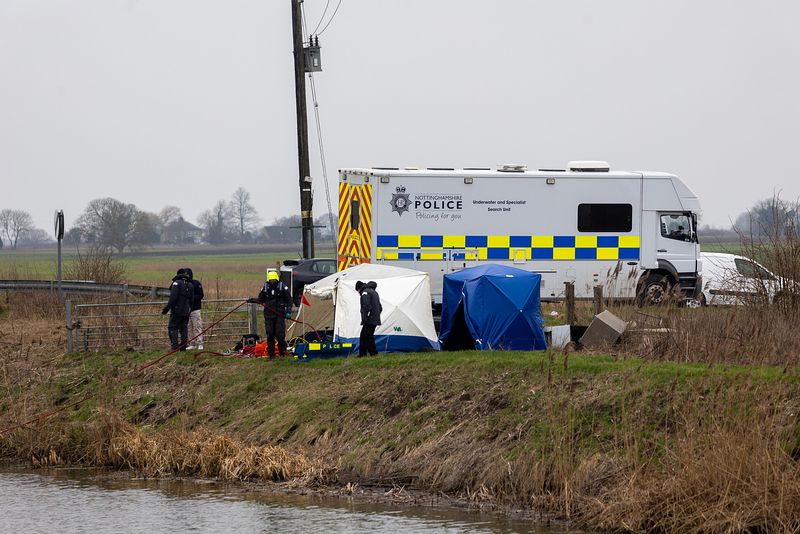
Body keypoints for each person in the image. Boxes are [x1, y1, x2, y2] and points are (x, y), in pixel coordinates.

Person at [249, 270, 292, 357]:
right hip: (268, 316)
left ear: (276, 279)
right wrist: (252, 300)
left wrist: (288, 312)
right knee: (270, 335)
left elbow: (289, 300)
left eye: (273, 279)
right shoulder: (266, 288)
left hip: (279, 315)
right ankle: (271, 354)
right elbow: (260, 299)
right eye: (271, 279)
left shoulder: (282, 287)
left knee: (280, 334)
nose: (272, 281)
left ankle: (282, 353)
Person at [162, 268, 194, 350]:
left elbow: (173, 298)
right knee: (184, 328)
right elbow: (192, 299)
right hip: (186, 311)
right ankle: (183, 347)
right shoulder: (190, 284)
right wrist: (189, 309)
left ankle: (175, 347)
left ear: (178, 274)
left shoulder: (176, 283)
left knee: (173, 327)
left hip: (177, 310)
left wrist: (166, 309)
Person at [356, 280, 382, 356]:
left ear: (359, 288)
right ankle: (366, 354)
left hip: (369, 319)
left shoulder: (365, 292)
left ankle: (370, 353)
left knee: (365, 336)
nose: (358, 293)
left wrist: (365, 318)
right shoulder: (374, 292)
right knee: (367, 336)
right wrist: (376, 315)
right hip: (375, 318)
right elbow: (380, 307)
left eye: (357, 291)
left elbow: (366, 306)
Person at [184, 267, 204, 350]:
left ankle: (200, 343)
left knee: (197, 326)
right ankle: (192, 343)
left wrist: (191, 298)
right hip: (186, 310)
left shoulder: (196, 283)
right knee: (189, 327)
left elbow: (201, 295)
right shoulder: (184, 284)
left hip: (195, 309)